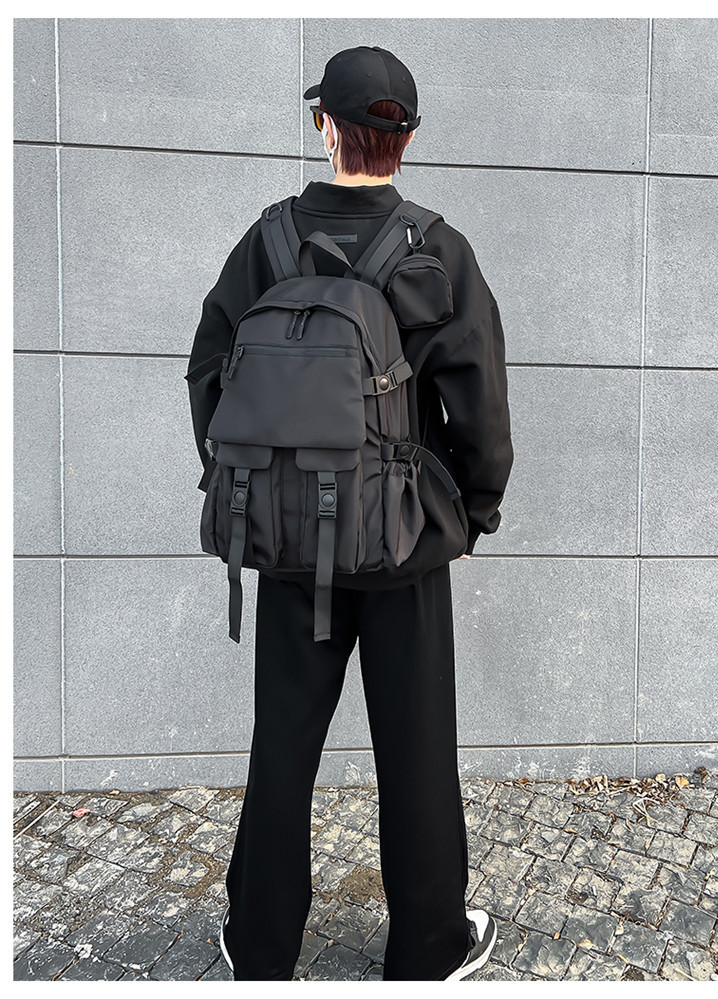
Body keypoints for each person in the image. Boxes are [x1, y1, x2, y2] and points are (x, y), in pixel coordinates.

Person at [186, 45, 513, 982]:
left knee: (282, 747)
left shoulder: (266, 243)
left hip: (292, 544)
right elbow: (481, 407)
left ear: (325, 127)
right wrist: (472, 510)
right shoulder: (438, 250)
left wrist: (255, 484)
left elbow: (208, 374)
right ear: (404, 140)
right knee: (418, 751)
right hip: (405, 548)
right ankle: (428, 947)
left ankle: (260, 945)